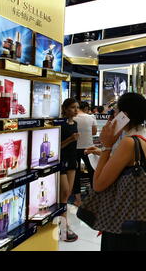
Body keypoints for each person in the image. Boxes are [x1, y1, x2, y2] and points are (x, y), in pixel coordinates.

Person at [85, 93, 146, 251]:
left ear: (125, 116)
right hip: (142, 219)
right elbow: (128, 163)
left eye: (116, 112)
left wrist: (106, 146)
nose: (114, 116)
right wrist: (103, 151)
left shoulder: (128, 142)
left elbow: (98, 185)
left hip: (123, 223)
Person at [59, 98, 80, 242]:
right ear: (65, 108)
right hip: (61, 161)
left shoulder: (76, 123)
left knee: (67, 195)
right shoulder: (60, 124)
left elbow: (74, 145)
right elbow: (56, 147)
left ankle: (64, 226)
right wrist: (70, 140)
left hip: (72, 160)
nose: (75, 110)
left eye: (77, 107)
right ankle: (63, 227)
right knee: (65, 192)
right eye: (73, 107)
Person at [73, 101, 98, 207]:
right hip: (89, 147)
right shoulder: (91, 117)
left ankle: (78, 200)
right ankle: (94, 197)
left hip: (75, 148)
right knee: (92, 171)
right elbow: (94, 132)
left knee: (75, 174)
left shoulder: (73, 118)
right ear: (86, 108)